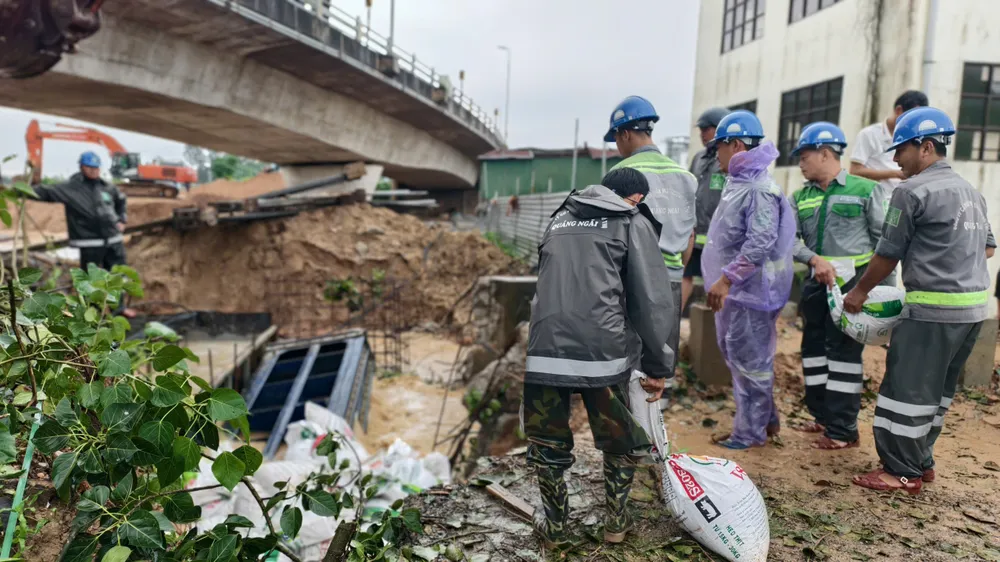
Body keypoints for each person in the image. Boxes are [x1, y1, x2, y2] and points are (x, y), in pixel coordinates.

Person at [843, 107, 996, 494]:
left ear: (926, 147)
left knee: (906, 391)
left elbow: (887, 254)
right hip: (974, 312)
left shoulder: (911, 192)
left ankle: (901, 472)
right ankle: (921, 460)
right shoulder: (972, 192)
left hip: (932, 312)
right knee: (938, 392)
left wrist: (859, 293)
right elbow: (988, 250)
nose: (895, 160)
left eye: (901, 151)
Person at [522, 167, 676, 547]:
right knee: (620, 439)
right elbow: (652, 301)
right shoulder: (629, 221)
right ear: (633, 198)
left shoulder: (559, 216)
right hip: (602, 352)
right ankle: (616, 525)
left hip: (543, 350)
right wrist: (657, 367)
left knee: (547, 443)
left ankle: (556, 530)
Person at [788, 122, 886, 450]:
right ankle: (820, 416)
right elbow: (787, 239)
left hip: (853, 286)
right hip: (816, 284)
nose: (800, 163)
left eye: (805, 156)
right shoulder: (799, 196)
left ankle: (843, 431)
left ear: (826, 153)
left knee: (844, 355)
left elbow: (883, 245)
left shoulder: (865, 190)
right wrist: (813, 259)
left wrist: (884, 294)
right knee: (813, 351)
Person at [702, 110, 796, 450]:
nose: (717, 156)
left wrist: (727, 280)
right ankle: (765, 420)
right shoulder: (739, 183)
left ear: (737, 145)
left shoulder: (759, 189)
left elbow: (760, 241)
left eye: (720, 148)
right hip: (739, 294)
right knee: (739, 355)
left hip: (751, 293)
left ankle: (750, 433)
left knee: (750, 363)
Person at [605, 95, 697, 409]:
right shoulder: (686, 178)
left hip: (630, 281)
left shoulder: (618, 175)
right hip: (670, 279)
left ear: (625, 134)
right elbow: (689, 239)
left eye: (616, 139)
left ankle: (629, 434)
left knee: (625, 364)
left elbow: (609, 236)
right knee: (657, 370)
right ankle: (654, 427)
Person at [31, 151, 134, 317]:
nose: (94, 171)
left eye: (96, 167)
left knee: (117, 276)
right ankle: (92, 313)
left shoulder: (106, 186)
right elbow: (46, 192)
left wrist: (122, 219)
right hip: (90, 242)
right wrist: (20, 191)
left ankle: (119, 309)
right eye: (90, 167)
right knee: (90, 280)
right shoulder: (71, 188)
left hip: (113, 240)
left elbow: (121, 200)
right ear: (81, 167)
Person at [684, 107, 731, 313]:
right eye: (701, 130)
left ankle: (714, 326)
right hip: (694, 233)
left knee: (714, 281)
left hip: (717, 236)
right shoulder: (698, 158)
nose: (702, 134)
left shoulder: (727, 158)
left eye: (707, 129)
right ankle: (673, 321)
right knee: (684, 276)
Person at [850, 90, 929, 198]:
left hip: (900, 202)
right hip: (873, 201)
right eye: (911, 118)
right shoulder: (868, 135)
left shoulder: (914, 137)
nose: (914, 123)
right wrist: (895, 174)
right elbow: (855, 171)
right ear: (899, 110)